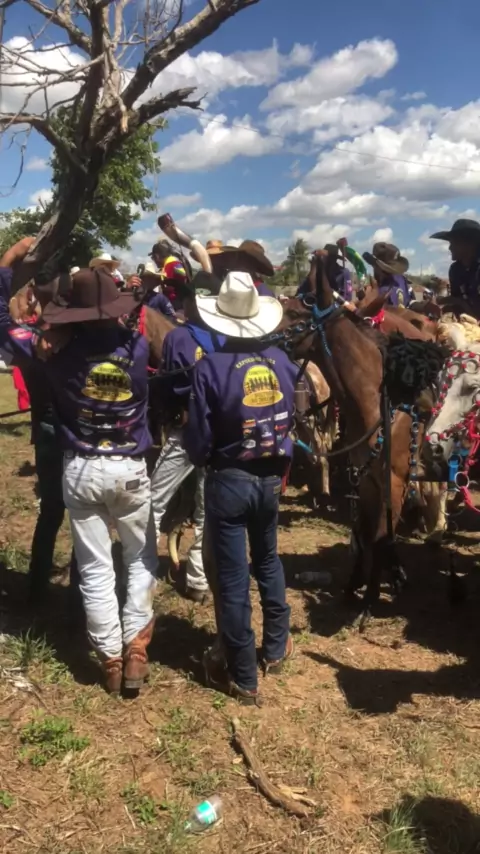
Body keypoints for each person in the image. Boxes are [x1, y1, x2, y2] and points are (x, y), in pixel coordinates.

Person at [0, 257, 158, 695]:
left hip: (82, 468)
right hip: (130, 467)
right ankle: (136, 649)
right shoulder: (136, 347)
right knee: (140, 558)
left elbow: (5, 325)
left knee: (94, 566)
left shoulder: (54, 354)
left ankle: (109, 658)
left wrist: (7, 273)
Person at [183, 271, 297, 706]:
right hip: (270, 480)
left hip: (229, 478)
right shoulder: (282, 362)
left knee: (232, 578)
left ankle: (243, 675)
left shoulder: (208, 367)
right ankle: (277, 645)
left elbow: (199, 438)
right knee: (268, 559)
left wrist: (201, 455)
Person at [150, 271, 222, 603]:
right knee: (207, 509)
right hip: (219, 434)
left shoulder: (178, 338)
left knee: (154, 499)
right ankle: (198, 579)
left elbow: (165, 384)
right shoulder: (228, 338)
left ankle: (143, 570)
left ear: (193, 303)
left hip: (186, 430)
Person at [430, 218, 480, 316]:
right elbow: (456, 299)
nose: (450, 248)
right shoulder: (455, 270)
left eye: (454, 243)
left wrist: (459, 302)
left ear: (470, 245)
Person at [209, 240, 276, 297]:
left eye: (244, 259)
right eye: (238, 258)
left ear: (254, 265)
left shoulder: (263, 292)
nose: (237, 263)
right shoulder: (227, 287)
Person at [362, 242, 412, 307]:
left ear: (378, 267)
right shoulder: (402, 280)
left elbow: (375, 312)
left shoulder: (382, 292)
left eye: (373, 265)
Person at [148, 240, 190, 309]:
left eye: (153, 258)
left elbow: (179, 282)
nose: (154, 261)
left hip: (176, 304)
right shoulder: (173, 263)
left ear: (157, 256)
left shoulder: (171, 265)